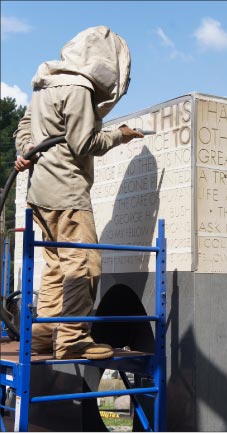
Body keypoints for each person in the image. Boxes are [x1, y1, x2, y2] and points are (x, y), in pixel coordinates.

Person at [13, 26, 143, 360]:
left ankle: (42, 335)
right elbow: (85, 143)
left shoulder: (46, 82)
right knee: (84, 264)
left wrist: (26, 148)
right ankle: (72, 338)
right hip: (68, 193)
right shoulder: (79, 88)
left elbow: (23, 128)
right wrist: (121, 135)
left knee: (56, 267)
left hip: (40, 192)